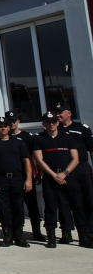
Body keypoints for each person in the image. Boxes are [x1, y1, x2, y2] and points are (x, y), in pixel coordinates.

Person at [32, 112, 92, 248]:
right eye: (48, 122)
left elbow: (75, 159)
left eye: (53, 121)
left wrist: (64, 173)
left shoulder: (68, 138)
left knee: (77, 206)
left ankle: (83, 237)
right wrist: (54, 175)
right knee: (51, 208)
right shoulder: (39, 139)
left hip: (68, 176)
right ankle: (51, 238)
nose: (51, 124)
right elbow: (39, 160)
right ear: (43, 124)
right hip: (50, 177)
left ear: (57, 123)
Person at [0, 117, 32, 248]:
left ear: (9, 127)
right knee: (4, 208)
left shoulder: (18, 142)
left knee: (18, 207)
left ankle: (19, 236)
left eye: (5, 126)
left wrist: (28, 179)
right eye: (0, 126)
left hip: (17, 178)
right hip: (1, 179)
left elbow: (26, 161)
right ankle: (7, 236)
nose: (3, 128)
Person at [55, 103, 93, 244]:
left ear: (69, 113)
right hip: (64, 169)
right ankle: (66, 232)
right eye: (56, 112)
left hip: (82, 167)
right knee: (65, 202)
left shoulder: (81, 128)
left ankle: (88, 231)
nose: (58, 115)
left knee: (87, 200)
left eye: (60, 112)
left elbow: (91, 149)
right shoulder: (55, 129)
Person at [7, 111, 44, 241]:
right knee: (14, 206)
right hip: (12, 178)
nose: (12, 123)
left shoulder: (28, 137)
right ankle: (15, 233)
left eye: (14, 120)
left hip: (26, 176)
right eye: (9, 121)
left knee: (32, 205)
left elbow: (34, 157)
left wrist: (37, 174)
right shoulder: (3, 138)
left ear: (18, 122)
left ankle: (37, 232)